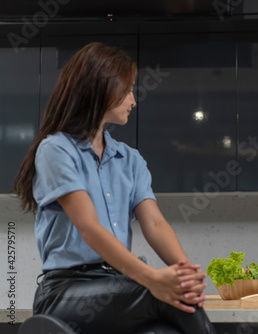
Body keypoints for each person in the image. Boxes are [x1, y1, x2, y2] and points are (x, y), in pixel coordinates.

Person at [13, 42, 216, 333]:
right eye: (128, 89)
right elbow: (89, 227)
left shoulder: (130, 159)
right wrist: (152, 278)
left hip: (119, 285)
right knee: (162, 296)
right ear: (100, 87)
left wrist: (185, 274)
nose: (133, 100)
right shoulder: (55, 150)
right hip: (65, 293)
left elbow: (155, 223)